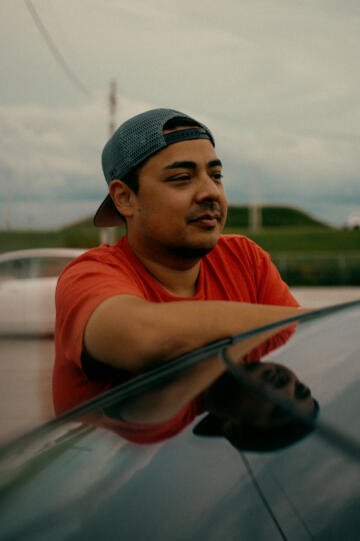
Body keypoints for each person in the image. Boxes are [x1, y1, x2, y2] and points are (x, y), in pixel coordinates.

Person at [53, 108, 310, 444]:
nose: (211, 193)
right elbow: (147, 339)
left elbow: (301, 345)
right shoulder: (90, 274)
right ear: (125, 198)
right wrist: (305, 318)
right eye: (182, 178)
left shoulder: (244, 259)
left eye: (216, 176)